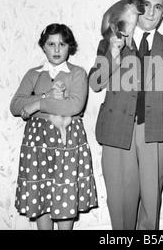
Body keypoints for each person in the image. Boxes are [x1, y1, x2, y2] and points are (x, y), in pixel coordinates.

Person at [89, 0, 163, 230]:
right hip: (117, 128)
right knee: (121, 199)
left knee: (151, 198)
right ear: (135, 7)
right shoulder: (111, 40)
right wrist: (113, 52)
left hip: (155, 129)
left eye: (158, 7)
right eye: (146, 6)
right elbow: (95, 83)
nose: (151, 12)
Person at [10, 23, 97, 230]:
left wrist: (37, 104)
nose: (57, 50)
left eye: (62, 44)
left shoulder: (77, 73)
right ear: (43, 47)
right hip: (37, 143)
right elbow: (15, 106)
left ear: (70, 47)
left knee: (64, 193)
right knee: (41, 192)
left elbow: (74, 106)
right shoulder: (34, 74)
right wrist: (46, 96)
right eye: (51, 44)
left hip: (67, 143)